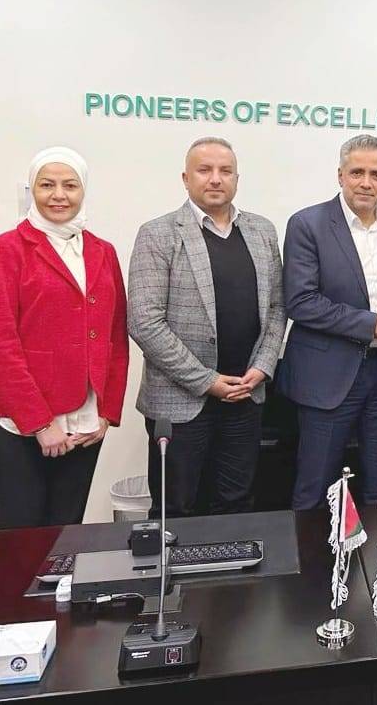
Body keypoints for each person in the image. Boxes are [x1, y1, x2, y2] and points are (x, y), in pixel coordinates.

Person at [0, 147, 128, 529]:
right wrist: (40, 424)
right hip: (13, 423)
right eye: (47, 185)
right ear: (33, 190)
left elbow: (115, 337)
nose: (59, 195)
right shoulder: (3, 251)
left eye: (70, 185)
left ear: (83, 190)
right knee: (22, 537)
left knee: (66, 535)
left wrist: (107, 412)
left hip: (84, 420)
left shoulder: (102, 251)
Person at [128, 137, 286, 517]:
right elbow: (144, 321)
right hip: (181, 403)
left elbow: (277, 307)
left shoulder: (262, 232)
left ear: (237, 179)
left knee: (236, 505)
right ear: (186, 178)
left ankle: (231, 561)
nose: (216, 179)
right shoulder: (158, 234)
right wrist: (207, 381)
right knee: (176, 510)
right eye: (205, 170)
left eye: (225, 171)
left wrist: (263, 367)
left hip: (246, 397)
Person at [279, 134, 377, 507]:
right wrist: (370, 324)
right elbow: (301, 301)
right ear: (340, 175)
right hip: (328, 376)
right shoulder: (308, 224)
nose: (366, 182)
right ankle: (313, 550)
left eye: (376, 175)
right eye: (357, 173)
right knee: (316, 489)